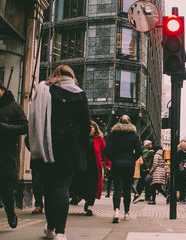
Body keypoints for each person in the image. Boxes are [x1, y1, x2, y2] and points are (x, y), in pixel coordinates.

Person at [28, 65, 91, 239]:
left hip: (48, 146)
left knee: (49, 188)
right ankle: (61, 233)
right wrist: (82, 147)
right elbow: (86, 125)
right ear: (72, 76)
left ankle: (50, 227)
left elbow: (34, 120)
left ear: (55, 75)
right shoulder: (80, 94)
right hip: (71, 148)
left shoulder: (45, 91)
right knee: (63, 187)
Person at [0, 79, 28, 229]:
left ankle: (10, 213)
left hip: (5, 155)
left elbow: (24, 127)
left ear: (1, 89)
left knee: (5, 189)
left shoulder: (14, 107)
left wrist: (5, 128)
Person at [104, 115, 142, 223]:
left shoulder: (113, 135)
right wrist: (132, 159)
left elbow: (106, 150)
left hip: (116, 164)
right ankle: (126, 213)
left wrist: (113, 158)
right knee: (127, 189)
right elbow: (139, 151)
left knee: (117, 188)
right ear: (130, 122)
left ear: (118, 122)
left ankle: (116, 211)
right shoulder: (134, 136)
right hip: (129, 164)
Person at [79, 121, 110, 216]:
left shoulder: (99, 139)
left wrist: (107, 163)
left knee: (92, 186)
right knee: (84, 185)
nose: (90, 130)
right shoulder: (82, 139)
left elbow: (105, 152)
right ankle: (87, 200)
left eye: (91, 128)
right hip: (83, 167)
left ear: (95, 129)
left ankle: (90, 206)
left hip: (94, 167)